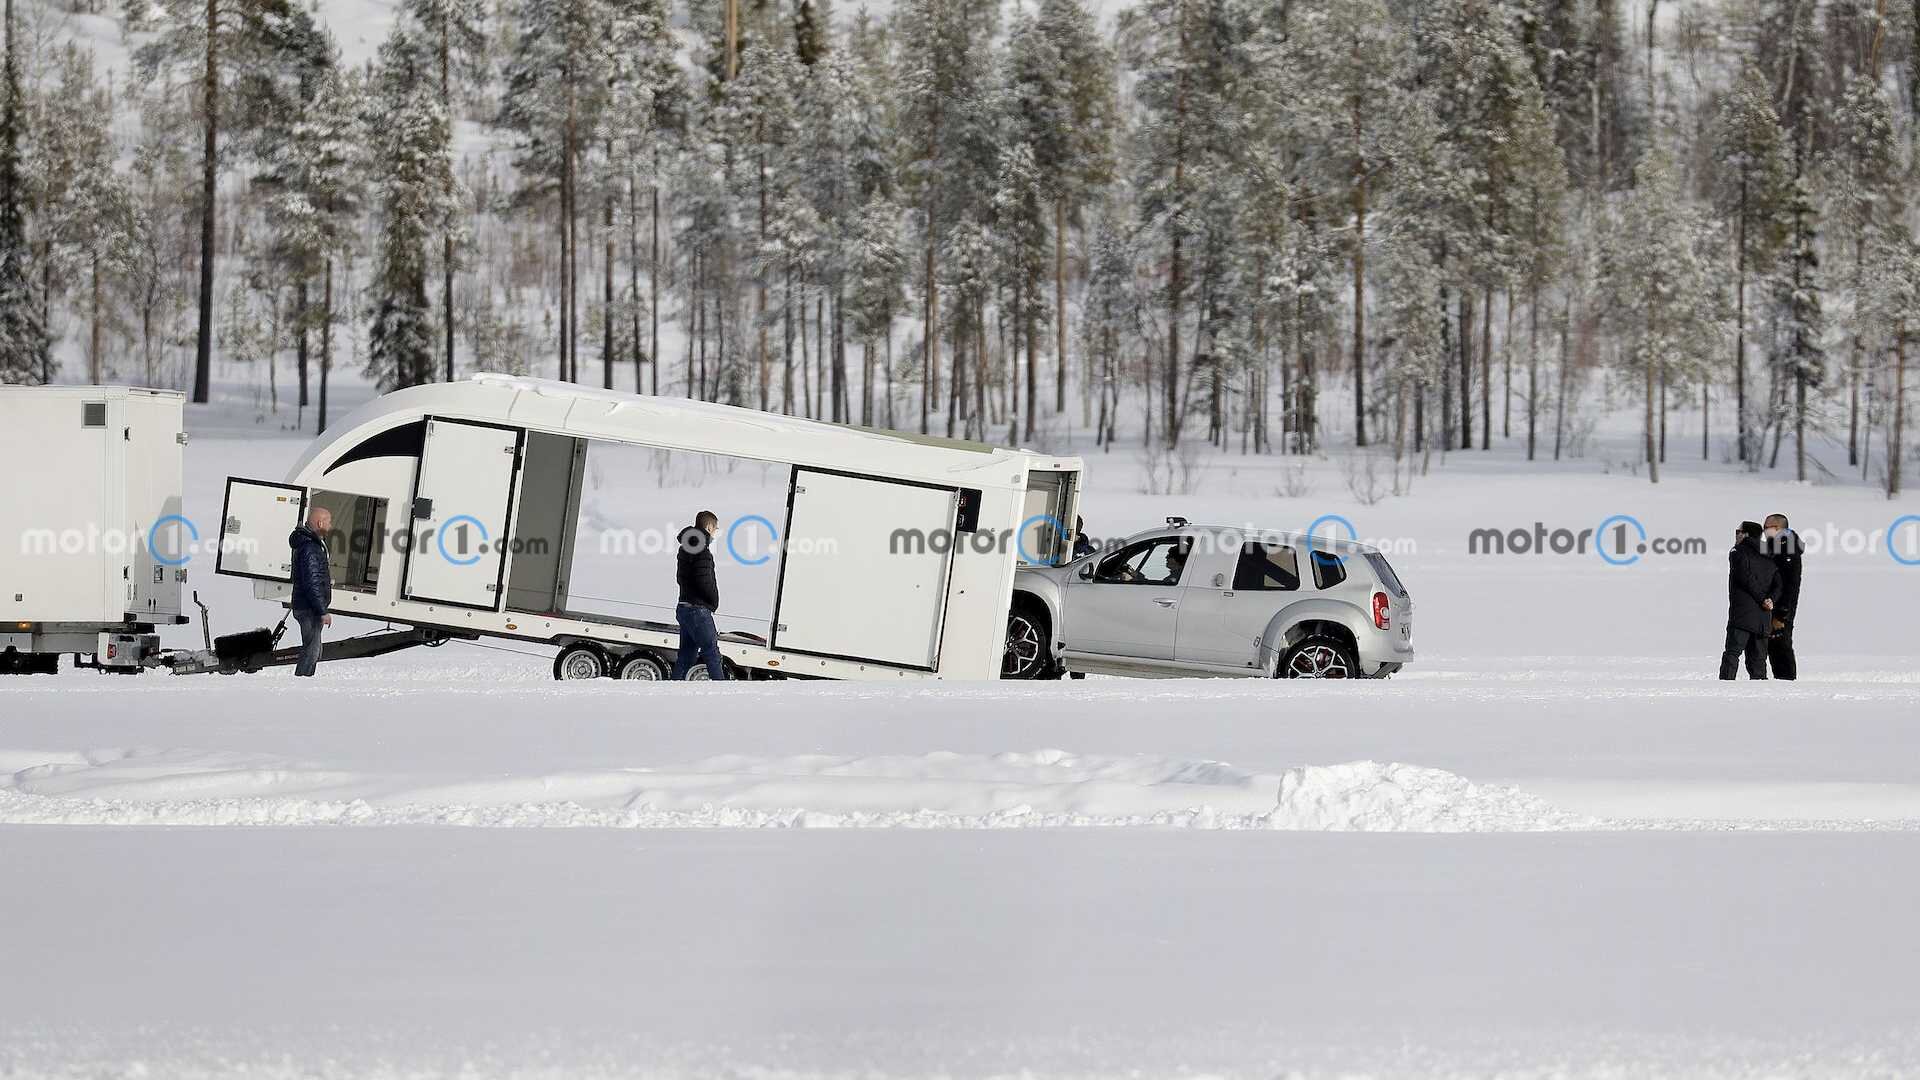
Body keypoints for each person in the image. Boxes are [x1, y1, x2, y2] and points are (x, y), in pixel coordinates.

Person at [1719, 520, 1781, 681]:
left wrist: (1762, 599)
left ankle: (1723, 691)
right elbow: (1779, 584)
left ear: (1745, 534)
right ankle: (1760, 699)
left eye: (1737, 532)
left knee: (1732, 654)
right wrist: (1770, 600)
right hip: (1763, 617)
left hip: (1742, 615)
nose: (1736, 535)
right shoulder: (1769, 555)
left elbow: (1745, 578)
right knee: (1758, 661)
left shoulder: (1738, 552)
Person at [673, 510, 727, 680]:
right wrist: (713, 600)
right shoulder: (702, 551)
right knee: (712, 655)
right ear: (709, 526)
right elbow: (704, 581)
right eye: (715, 529)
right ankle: (722, 694)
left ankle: (671, 689)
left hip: (684, 608)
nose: (715, 533)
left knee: (686, 657)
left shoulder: (685, 547)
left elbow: (680, 578)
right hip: (698, 611)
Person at [289, 507, 334, 678]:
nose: (330, 526)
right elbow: (311, 583)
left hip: (307, 607)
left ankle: (303, 682)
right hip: (309, 609)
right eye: (328, 522)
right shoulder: (310, 548)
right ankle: (300, 684)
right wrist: (322, 611)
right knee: (312, 651)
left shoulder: (310, 544)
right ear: (320, 523)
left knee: (313, 649)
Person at [1762, 513, 1802, 681]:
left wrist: (1781, 614)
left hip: (1781, 608)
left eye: (1767, 527)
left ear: (1778, 528)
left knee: (1781, 644)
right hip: (1771, 604)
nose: (1764, 530)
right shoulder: (1773, 546)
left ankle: (1787, 682)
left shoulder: (1788, 548)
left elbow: (1790, 584)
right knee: (1772, 645)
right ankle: (1781, 681)